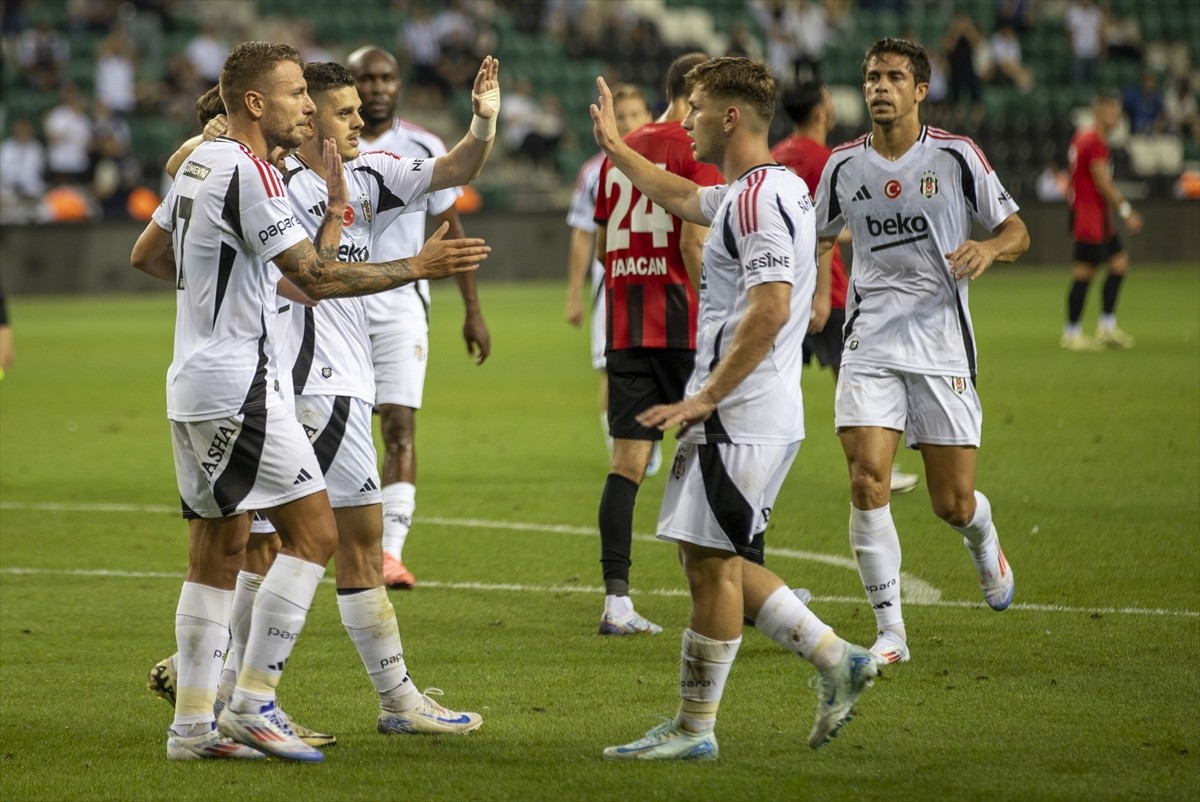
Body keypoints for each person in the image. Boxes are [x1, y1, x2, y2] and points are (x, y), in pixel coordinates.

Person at [129, 41, 497, 762]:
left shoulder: (207, 164)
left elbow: (154, 253)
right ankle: (253, 700)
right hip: (257, 385)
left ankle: (195, 726)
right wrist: (418, 267)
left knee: (221, 548)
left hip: (200, 379)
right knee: (315, 538)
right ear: (262, 104)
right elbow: (311, 281)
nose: (314, 107)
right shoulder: (255, 173)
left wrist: (226, 290)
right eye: (303, 95)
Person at [590, 56, 883, 761]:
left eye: (692, 108)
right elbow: (683, 200)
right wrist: (616, 149)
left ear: (729, 118)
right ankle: (838, 658)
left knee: (709, 569)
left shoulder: (755, 200)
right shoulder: (755, 188)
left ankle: (696, 729)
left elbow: (771, 307)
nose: (682, 120)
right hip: (740, 412)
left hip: (741, 413)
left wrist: (706, 396)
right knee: (705, 557)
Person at [812, 38, 1027, 667]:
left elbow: (1016, 228)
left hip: (940, 341)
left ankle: (983, 539)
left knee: (952, 503)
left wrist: (989, 250)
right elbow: (820, 237)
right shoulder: (842, 166)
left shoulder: (957, 157)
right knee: (866, 480)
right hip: (870, 338)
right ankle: (891, 634)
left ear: (920, 89)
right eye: (872, 76)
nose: (880, 87)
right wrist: (815, 298)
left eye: (894, 77)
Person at [347, 45, 492, 590]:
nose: (378, 87)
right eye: (367, 78)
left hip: (403, 306)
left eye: (387, 78)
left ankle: (389, 553)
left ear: (399, 83)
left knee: (399, 426)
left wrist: (472, 310)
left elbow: (450, 228)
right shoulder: (326, 147)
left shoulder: (422, 146)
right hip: (339, 302)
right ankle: (338, 539)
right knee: (341, 426)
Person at [591, 52, 724, 636]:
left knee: (626, 464)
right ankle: (747, 587)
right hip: (682, 323)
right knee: (722, 451)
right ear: (694, 91)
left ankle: (616, 602)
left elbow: (602, 247)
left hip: (623, 322)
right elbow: (696, 244)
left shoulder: (616, 152)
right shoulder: (697, 150)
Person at [771, 80, 920, 496]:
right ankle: (873, 471)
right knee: (854, 383)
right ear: (821, 112)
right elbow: (828, 229)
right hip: (828, 290)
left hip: (780, 284)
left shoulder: (777, 157)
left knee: (776, 378)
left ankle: (759, 461)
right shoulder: (828, 161)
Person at [564, 83, 654, 465]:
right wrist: (574, 293)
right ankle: (617, 438)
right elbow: (583, 235)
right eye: (623, 115)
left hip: (659, 278)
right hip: (612, 283)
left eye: (636, 114)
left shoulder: (665, 159)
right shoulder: (594, 170)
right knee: (611, 367)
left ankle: (652, 433)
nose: (630, 122)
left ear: (650, 116)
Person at [1062, 90, 1143, 351]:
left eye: (1118, 110)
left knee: (1119, 264)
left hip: (1097, 217)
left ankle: (1106, 327)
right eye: (1111, 109)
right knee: (1084, 272)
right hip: (1089, 217)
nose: (1116, 115)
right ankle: (1071, 332)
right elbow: (1102, 182)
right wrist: (1126, 210)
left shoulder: (1083, 137)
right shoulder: (1095, 141)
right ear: (1097, 110)